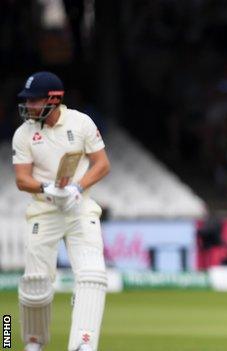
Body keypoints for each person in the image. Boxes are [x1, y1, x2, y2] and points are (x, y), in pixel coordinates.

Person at [12, 72, 111, 351]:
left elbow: (102, 164)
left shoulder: (81, 123)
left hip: (79, 208)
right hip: (44, 211)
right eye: (27, 100)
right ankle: (33, 343)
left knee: (92, 275)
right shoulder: (24, 133)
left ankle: (84, 344)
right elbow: (22, 179)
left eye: (34, 100)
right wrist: (47, 188)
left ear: (53, 99)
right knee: (35, 283)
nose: (29, 105)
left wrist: (77, 188)